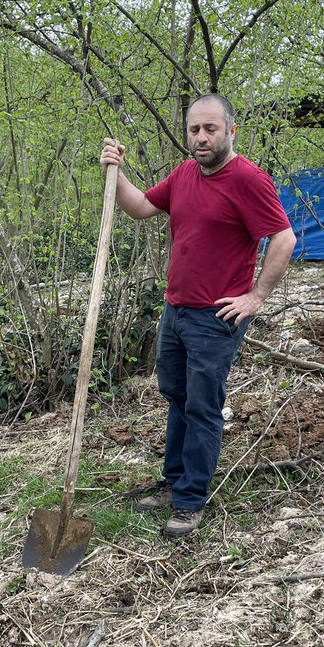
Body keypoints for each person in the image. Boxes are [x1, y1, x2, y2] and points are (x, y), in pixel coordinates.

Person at [100, 93, 297, 537]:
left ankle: (190, 502)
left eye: (211, 128)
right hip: (176, 309)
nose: (201, 137)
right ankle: (174, 483)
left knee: (204, 407)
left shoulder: (248, 180)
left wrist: (255, 298)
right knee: (177, 398)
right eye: (194, 129)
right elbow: (141, 208)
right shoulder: (186, 173)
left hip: (215, 318)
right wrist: (116, 173)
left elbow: (283, 239)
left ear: (231, 131)